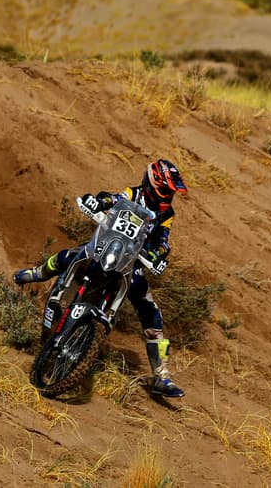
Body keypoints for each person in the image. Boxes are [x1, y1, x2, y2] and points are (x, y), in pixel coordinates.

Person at [13, 158, 188, 398]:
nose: (168, 195)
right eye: (166, 189)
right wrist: (98, 201)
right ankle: (36, 273)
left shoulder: (167, 213)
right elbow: (114, 198)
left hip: (131, 262)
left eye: (170, 191)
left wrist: (159, 254)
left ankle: (161, 376)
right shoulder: (133, 194)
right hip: (106, 247)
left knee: (151, 311)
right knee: (69, 256)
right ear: (153, 184)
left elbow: (163, 241)